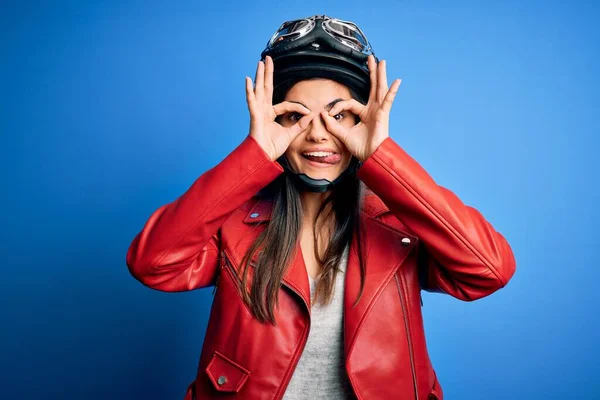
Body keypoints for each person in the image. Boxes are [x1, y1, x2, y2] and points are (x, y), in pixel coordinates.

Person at [126, 15, 516, 400]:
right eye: (295, 115)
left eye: (339, 115)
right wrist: (254, 154)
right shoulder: (235, 224)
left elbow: (489, 269)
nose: (317, 132)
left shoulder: (401, 225)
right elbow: (152, 263)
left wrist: (382, 157)